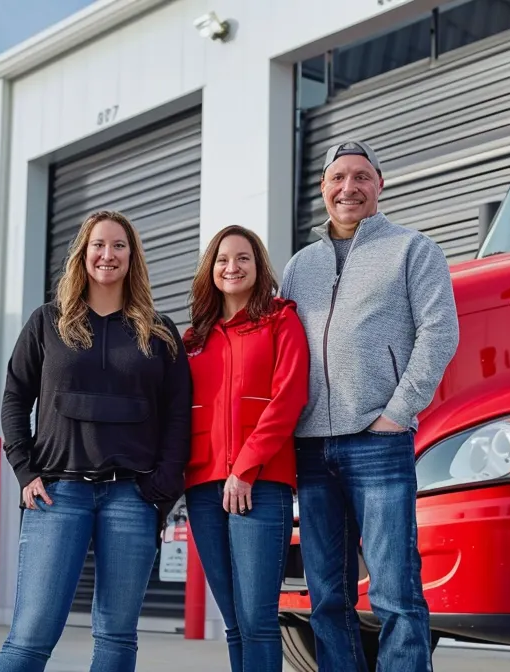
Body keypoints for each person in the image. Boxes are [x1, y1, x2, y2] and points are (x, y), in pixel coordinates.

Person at [279, 140, 459, 671]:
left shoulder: (413, 249)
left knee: (395, 591)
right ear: (323, 189)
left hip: (379, 442)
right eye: (338, 178)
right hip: (311, 449)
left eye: (361, 177)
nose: (348, 188)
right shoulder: (300, 265)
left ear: (380, 184)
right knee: (327, 596)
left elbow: (439, 332)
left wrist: (396, 413)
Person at [0, 209, 192, 672]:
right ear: (82, 255)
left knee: (117, 635)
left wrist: (161, 488)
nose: (108, 255)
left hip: (132, 496)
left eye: (119, 245)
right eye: (98, 245)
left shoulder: (159, 331)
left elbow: (179, 416)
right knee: (31, 633)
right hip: (57, 494)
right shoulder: (48, 322)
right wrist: (25, 471)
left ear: (133, 256)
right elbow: (14, 400)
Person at [181, 225, 309, 672]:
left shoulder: (280, 320)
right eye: (222, 259)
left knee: (257, 619)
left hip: (259, 484)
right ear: (210, 270)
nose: (231, 267)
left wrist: (246, 467)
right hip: (203, 486)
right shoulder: (194, 339)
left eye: (242, 258)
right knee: (234, 621)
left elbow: (289, 397)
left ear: (259, 268)